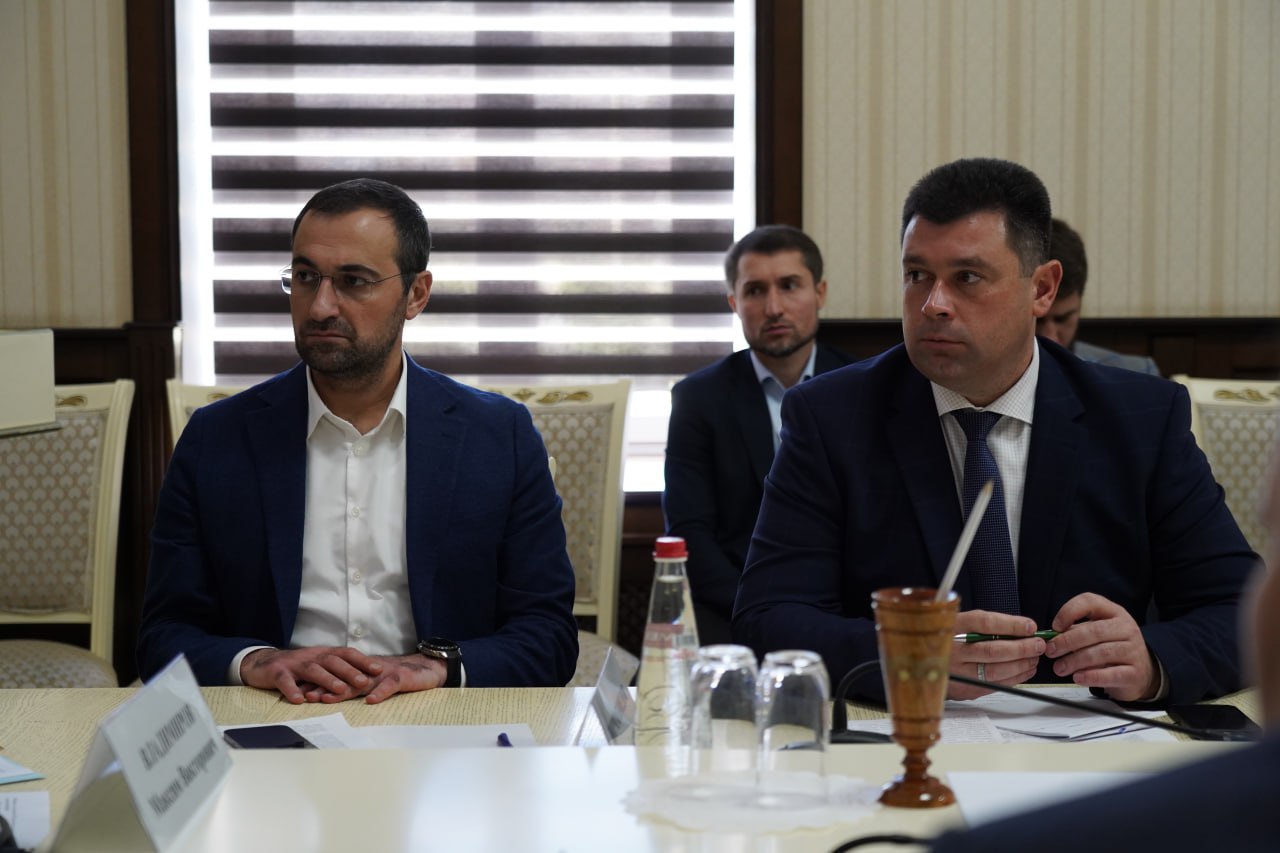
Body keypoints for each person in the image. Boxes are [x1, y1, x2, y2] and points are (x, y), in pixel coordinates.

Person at [733, 158, 1254, 705]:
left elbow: (1241, 610)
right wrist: (910, 656)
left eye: (967, 278)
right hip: (912, 733)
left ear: (1043, 289)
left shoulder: (1140, 417)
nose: (933, 304)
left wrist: (1151, 661)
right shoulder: (831, 417)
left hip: (1093, 735)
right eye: (917, 275)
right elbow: (768, 618)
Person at [138, 178, 577, 702]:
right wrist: (256, 660)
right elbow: (162, 637)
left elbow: (549, 636)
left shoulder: (498, 437)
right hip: (272, 715)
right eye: (306, 277)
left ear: (416, 294)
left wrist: (437, 668)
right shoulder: (217, 439)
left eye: (353, 281)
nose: (320, 306)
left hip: (439, 718)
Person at [928, 452, 1280, 852]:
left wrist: (1152, 660)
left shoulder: (1148, 423)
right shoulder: (860, 423)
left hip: (1116, 761)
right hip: (915, 751)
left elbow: (1232, 605)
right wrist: (905, 653)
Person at [663, 225, 854, 643]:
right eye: (754, 291)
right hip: (731, 607)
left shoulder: (860, 388)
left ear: (820, 293)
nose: (773, 307)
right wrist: (757, 612)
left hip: (840, 608)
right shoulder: (698, 398)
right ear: (734, 303)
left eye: (789, 286)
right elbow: (689, 531)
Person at [1037, 217, 1161, 375]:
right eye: (1037, 319)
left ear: (1080, 303)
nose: (1050, 337)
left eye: (1062, 319)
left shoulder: (1137, 375)